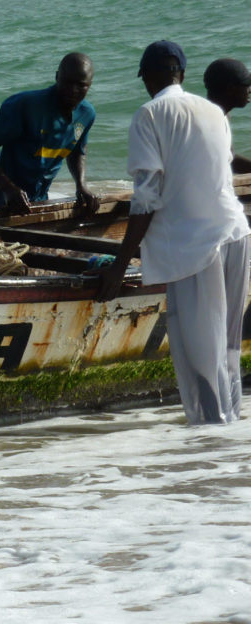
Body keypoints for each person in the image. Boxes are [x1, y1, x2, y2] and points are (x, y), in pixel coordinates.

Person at [95, 41, 250, 426]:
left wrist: (120, 264)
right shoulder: (213, 112)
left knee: (200, 355)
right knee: (228, 349)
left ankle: (210, 451)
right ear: (181, 72)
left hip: (195, 250)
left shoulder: (149, 115)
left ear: (148, 77)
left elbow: (146, 198)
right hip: (237, 234)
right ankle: (232, 441)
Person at [0, 52, 99, 215]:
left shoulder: (86, 114)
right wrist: (8, 189)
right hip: (0, 204)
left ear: (90, 84)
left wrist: (81, 185)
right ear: (56, 77)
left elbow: (77, 152)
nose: (73, 90)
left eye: (81, 85)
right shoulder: (24, 106)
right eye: (67, 82)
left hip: (39, 203)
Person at [202, 58, 251, 174]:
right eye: (247, 84)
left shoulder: (222, 115)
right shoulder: (207, 122)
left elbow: (229, 159)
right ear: (231, 89)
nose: (250, 90)